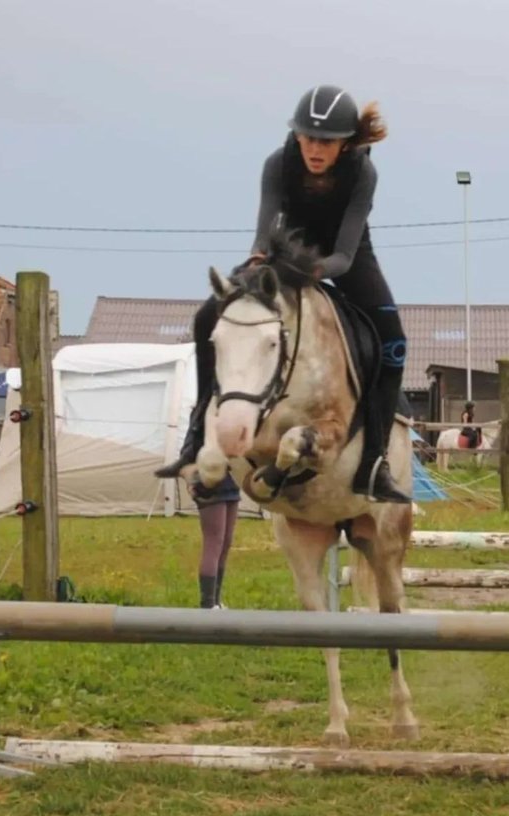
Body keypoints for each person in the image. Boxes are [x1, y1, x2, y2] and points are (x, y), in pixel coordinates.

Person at [156, 85, 409, 503]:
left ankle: (374, 464)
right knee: (207, 317)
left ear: (345, 144)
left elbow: (343, 255)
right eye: (308, 137)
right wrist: (260, 264)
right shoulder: (278, 163)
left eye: (326, 141)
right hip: (281, 254)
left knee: (395, 342)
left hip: (341, 259)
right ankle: (195, 436)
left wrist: (310, 271)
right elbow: (262, 234)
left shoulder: (362, 173)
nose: (314, 148)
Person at [190, 471, 240, 609]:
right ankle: (207, 605)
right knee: (214, 543)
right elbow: (188, 454)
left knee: (225, 543)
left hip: (231, 485)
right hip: (209, 487)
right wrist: (192, 481)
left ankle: (216, 601)